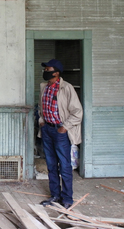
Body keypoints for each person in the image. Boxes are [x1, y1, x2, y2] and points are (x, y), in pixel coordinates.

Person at [38, 59, 83, 209]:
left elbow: (78, 112)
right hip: (47, 130)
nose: (45, 72)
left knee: (64, 165)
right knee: (51, 165)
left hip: (60, 131)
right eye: (45, 70)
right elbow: (41, 107)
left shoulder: (66, 88)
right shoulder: (44, 87)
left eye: (48, 69)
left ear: (56, 73)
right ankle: (55, 195)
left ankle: (67, 198)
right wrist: (41, 121)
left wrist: (65, 127)